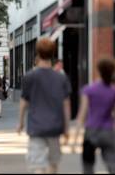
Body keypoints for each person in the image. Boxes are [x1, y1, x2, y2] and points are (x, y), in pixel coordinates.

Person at [17, 38, 71, 173]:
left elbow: (24, 101)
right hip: (55, 127)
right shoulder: (61, 78)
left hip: (36, 127)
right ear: (53, 54)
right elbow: (66, 105)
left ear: (38, 53)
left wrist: (20, 123)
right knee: (53, 163)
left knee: (38, 166)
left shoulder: (29, 76)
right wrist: (67, 128)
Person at [73, 58, 115, 174]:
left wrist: (75, 139)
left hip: (91, 132)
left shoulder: (89, 90)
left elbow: (82, 114)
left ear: (98, 71)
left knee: (88, 166)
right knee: (113, 166)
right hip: (108, 131)